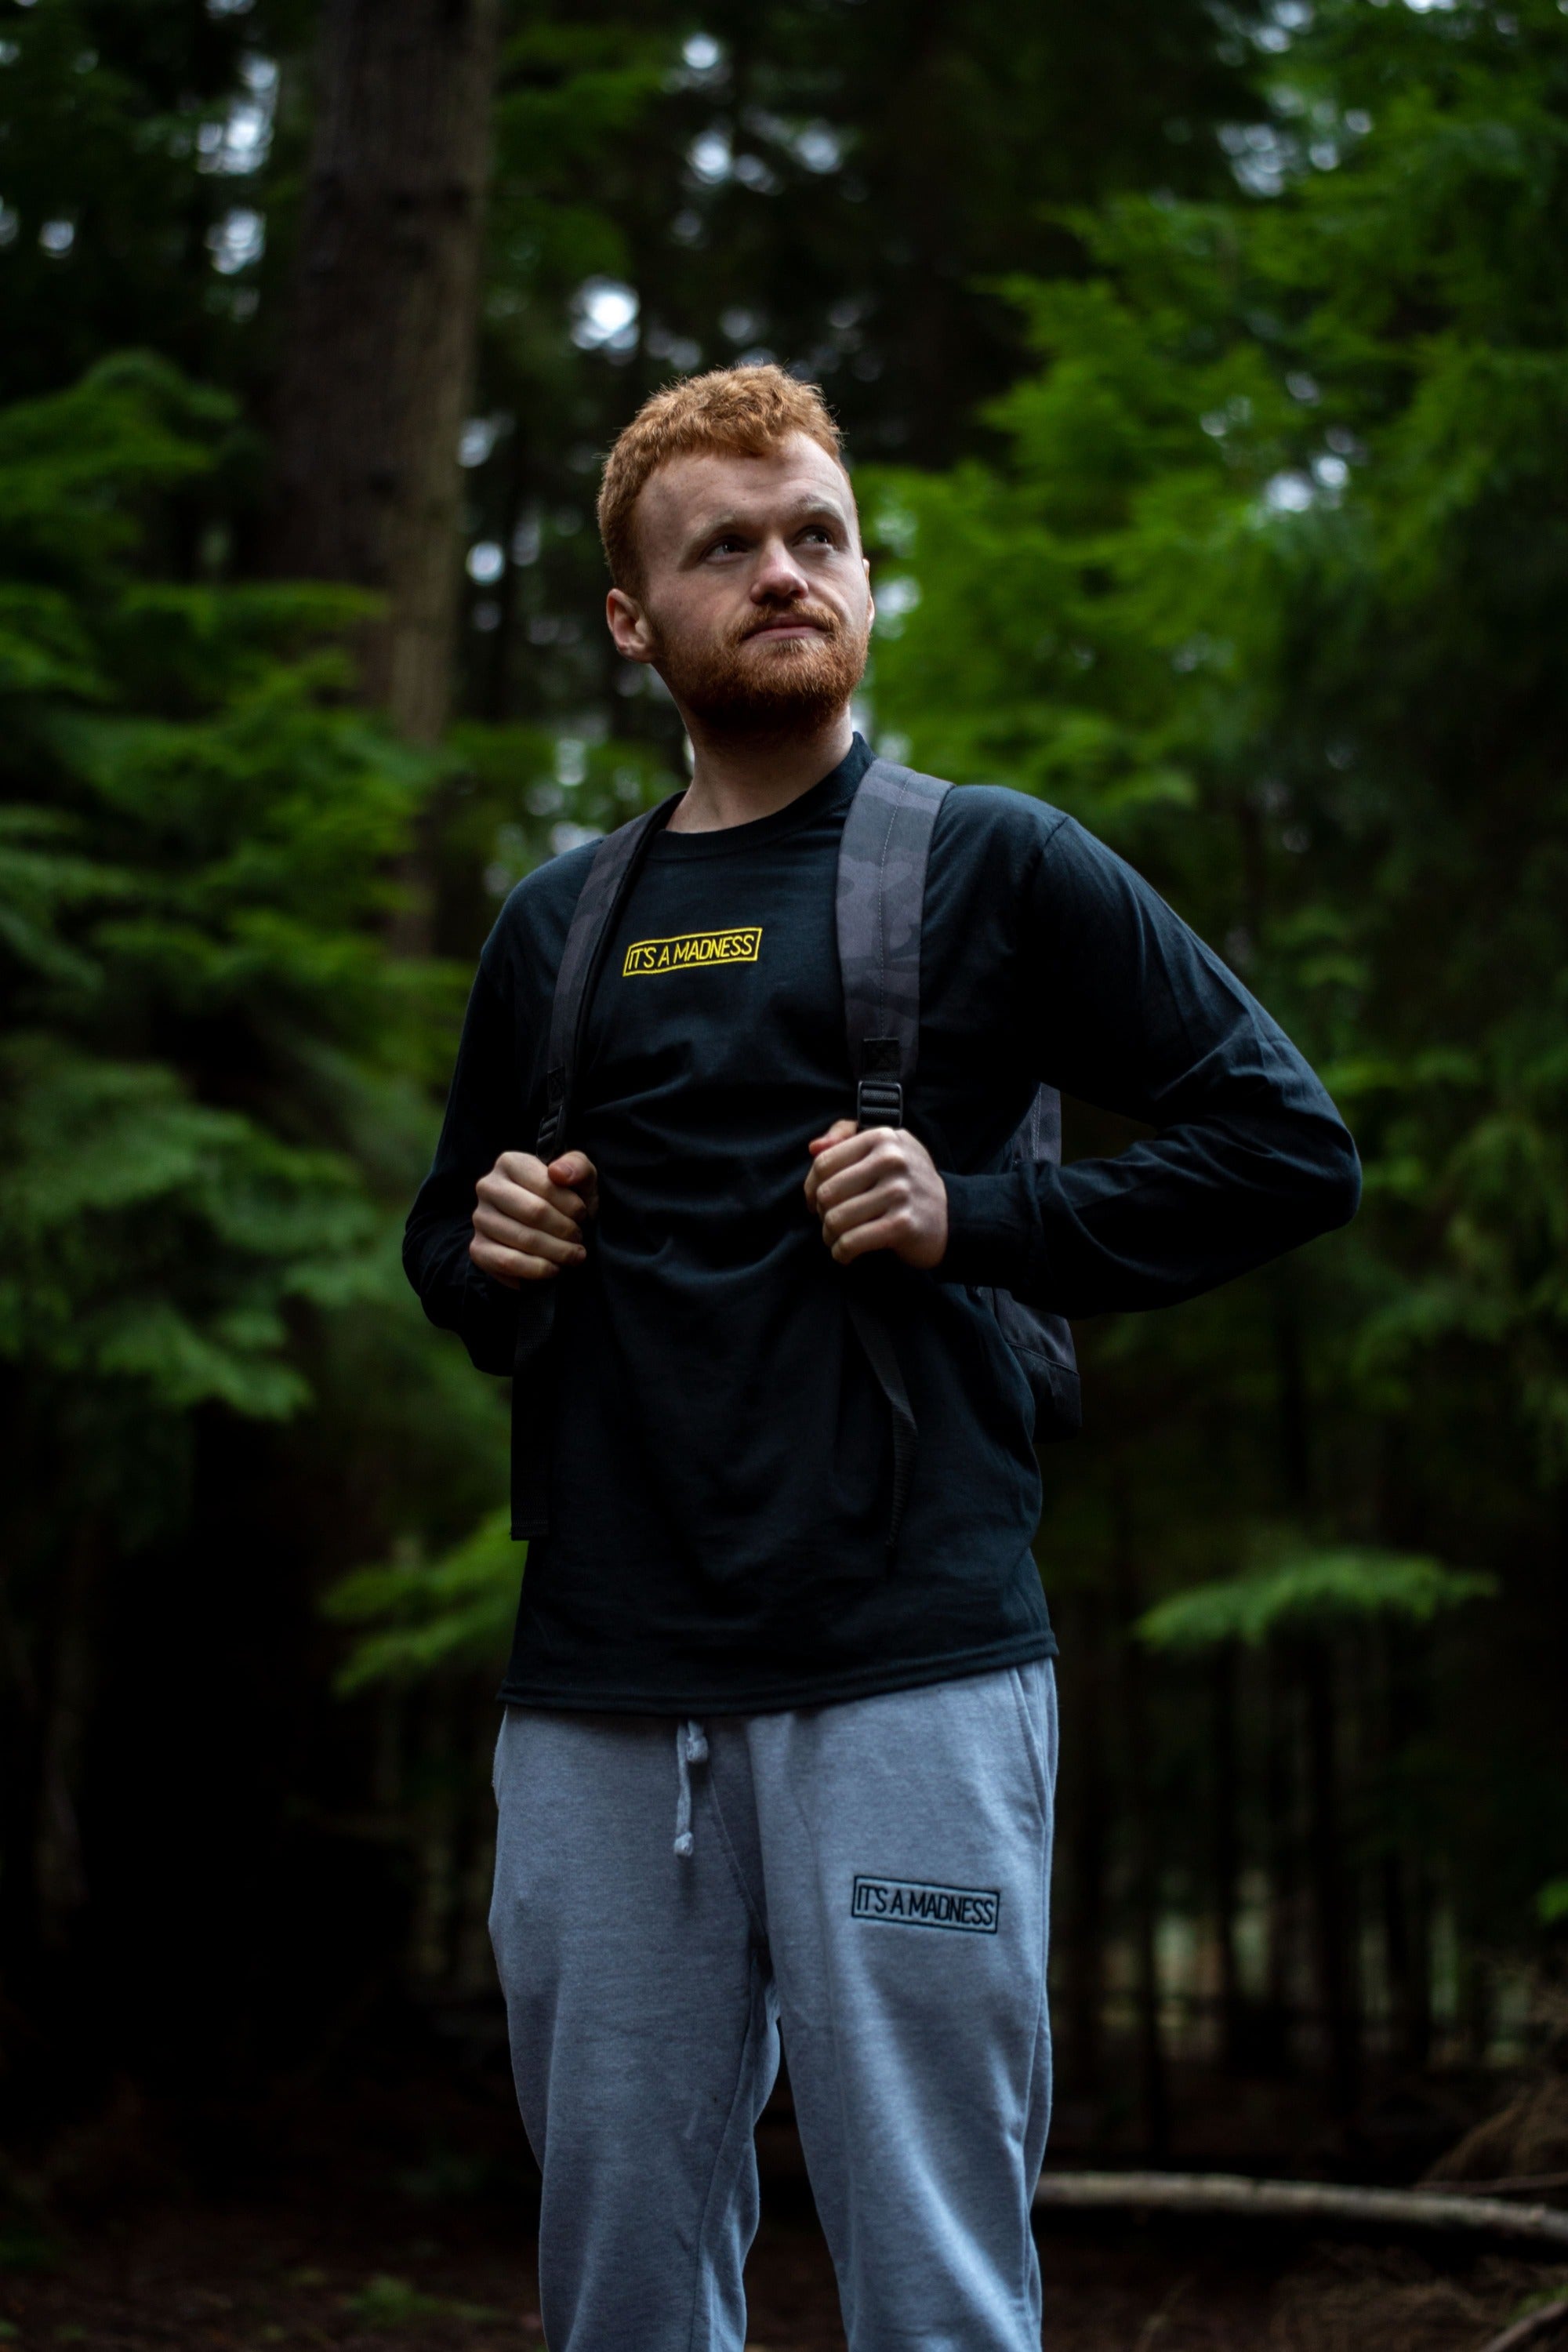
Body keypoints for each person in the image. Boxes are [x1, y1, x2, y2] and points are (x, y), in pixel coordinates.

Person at [404, 365, 1360, 2352]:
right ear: (626, 620)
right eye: (723, 547)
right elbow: (456, 1244)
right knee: (617, 2288)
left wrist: (981, 1214)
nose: (781, 571)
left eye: (815, 536)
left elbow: (1283, 1146)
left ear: (864, 580)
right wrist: (487, 1255)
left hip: (907, 1670)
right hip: (599, 1693)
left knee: (929, 2279)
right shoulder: (557, 927)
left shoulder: (992, 864)